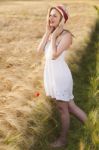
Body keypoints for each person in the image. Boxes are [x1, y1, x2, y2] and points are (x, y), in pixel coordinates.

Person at [37, 4, 87, 148]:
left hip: (60, 77)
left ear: (62, 20)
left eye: (55, 16)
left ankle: (63, 140)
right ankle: (92, 127)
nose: (51, 18)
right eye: (50, 15)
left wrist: (53, 37)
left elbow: (54, 55)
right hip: (53, 76)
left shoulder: (66, 36)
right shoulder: (50, 33)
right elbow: (39, 51)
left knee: (63, 109)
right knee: (70, 107)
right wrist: (48, 33)